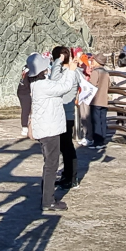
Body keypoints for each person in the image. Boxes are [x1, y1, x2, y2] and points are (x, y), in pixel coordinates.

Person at [25, 51, 80, 212]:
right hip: (49, 129)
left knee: (49, 163)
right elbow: (64, 87)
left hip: (45, 128)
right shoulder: (44, 85)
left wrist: (66, 69)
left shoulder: (38, 84)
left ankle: (46, 196)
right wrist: (71, 71)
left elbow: (58, 84)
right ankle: (48, 201)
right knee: (51, 165)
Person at [49, 47, 81, 188]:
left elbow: (53, 80)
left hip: (65, 114)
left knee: (67, 147)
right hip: (63, 114)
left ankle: (71, 178)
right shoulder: (71, 71)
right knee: (65, 147)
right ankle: (68, 175)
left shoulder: (70, 72)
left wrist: (58, 61)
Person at [88, 52, 111, 148]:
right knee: (103, 120)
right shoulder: (106, 72)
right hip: (104, 100)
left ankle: (97, 141)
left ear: (97, 61)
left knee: (96, 121)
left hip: (95, 100)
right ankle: (102, 140)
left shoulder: (95, 72)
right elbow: (109, 85)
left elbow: (92, 85)